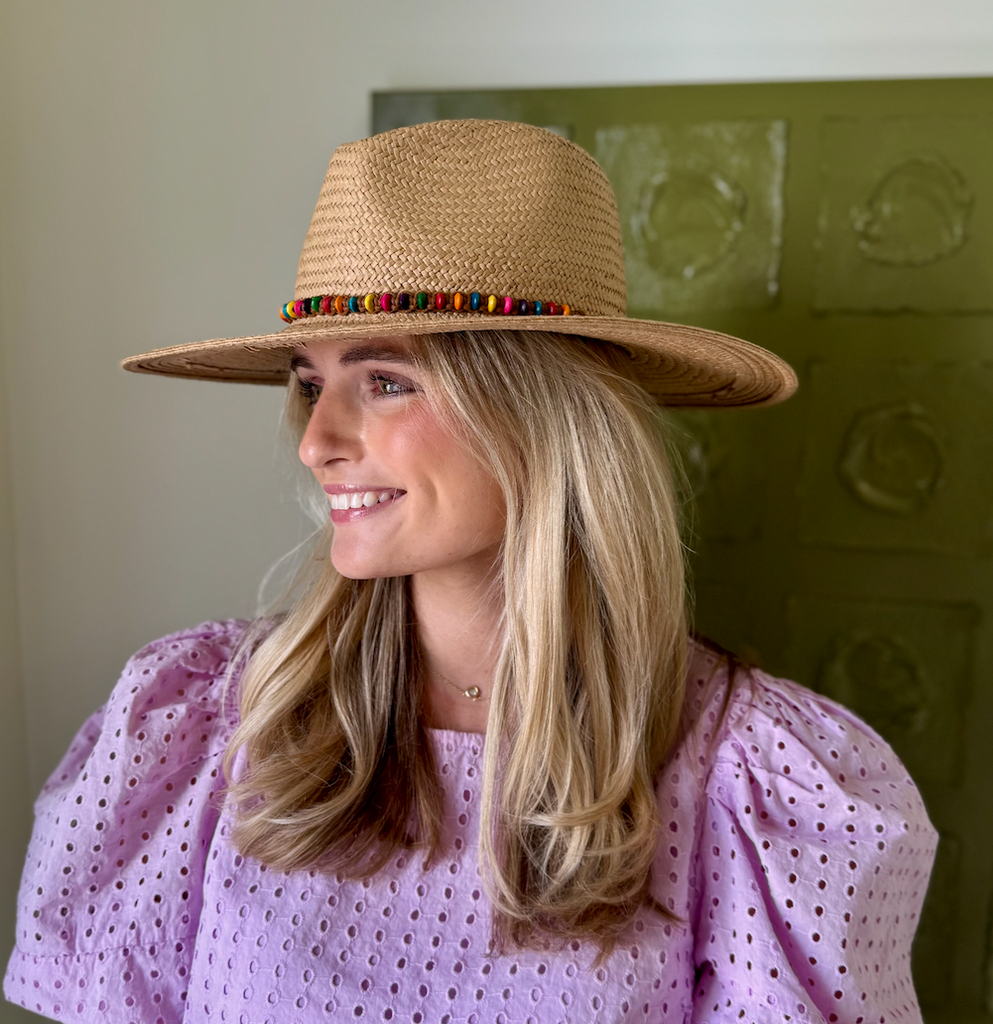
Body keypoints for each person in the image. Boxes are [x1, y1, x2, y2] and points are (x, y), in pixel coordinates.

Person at [5, 120, 936, 1023]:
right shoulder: (208, 728)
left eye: (386, 380)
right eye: (309, 383)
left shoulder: (749, 776)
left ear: (543, 414)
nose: (317, 442)